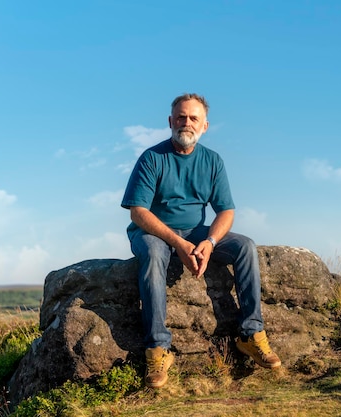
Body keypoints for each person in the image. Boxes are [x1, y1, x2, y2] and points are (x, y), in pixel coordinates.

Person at [121, 93, 281, 389]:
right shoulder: (152, 158)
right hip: (153, 233)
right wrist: (178, 244)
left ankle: (251, 335)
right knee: (155, 254)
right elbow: (138, 212)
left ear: (204, 126)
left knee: (245, 246)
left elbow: (226, 211)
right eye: (181, 117)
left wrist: (208, 242)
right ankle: (158, 350)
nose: (186, 123)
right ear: (170, 121)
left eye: (194, 118)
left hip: (196, 232)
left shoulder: (212, 161)